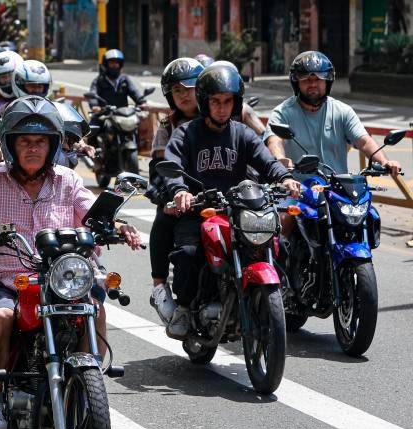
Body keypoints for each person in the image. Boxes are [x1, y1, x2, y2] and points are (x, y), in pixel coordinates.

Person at [0, 96, 141, 429]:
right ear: (10, 144)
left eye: (40, 141)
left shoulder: (68, 180)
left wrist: (119, 224)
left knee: (95, 308)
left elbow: (93, 211)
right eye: (25, 141)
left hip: (62, 278)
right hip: (12, 282)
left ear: (53, 144)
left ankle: (89, 384)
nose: (33, 148)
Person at [162, 63, 300, 339]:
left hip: (238, 210)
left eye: (228, 102)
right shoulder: (186, 134)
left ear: (236, 103)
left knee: (277, 242)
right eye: (215, 101)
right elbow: (171, 165)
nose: (222, 108)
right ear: (204, 102)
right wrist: (180, 191)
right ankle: (186, 308)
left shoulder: (242, 133)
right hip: (200, 210)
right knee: (189, 254)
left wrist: (284, 178)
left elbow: (265, 161)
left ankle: (279, 294)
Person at [263, 51, 401, 238]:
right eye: (306, 80)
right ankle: (278, 266)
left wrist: (385, 162)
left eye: (318, 79)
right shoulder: (282, 112)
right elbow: (274, 140)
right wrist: (280, 160)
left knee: (366, 218)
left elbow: (364, 140)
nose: (313, 84)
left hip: (337, 190)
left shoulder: (342, 111)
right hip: (296, 189)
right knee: (284, 221)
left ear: (328, 82)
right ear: (296, 83)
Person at [147, 57, 203, 325]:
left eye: (189, 89)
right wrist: (171, 197)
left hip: (220, 193)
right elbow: (159, 166)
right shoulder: (168, 125)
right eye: (177, 91)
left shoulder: (219, 116)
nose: (183, 95)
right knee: (163, 220)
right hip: (181, 195)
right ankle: (160, 287)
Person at [87, 49, 143, 114]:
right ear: (106, 65)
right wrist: (94, 106)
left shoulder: (124, 79)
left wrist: (141, 101)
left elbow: (134, 91)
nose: (114, 65)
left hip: (123, 115)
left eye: (117, 63)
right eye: (112, 63)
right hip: (103, 115)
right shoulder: (99, 80)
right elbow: (93, 93)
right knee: (92, 124)